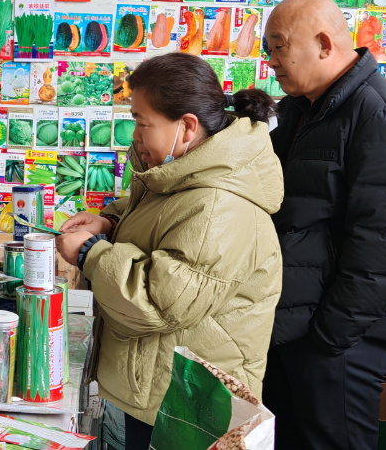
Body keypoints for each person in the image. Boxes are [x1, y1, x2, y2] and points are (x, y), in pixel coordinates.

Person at [56, 53, 284, 449]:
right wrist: (109, 222)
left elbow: (160, 303)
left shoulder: (219, 205)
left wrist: (91, 253)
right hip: (155, 388)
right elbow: (161, 216)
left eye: (143, 123)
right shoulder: (187, 174)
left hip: (186, 404)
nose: (135, 136)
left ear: (187, 127)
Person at [262, 0, 386, 450]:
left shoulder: (385, 113)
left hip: (339, 338)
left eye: (278, 46)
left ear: (322, 43)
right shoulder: (301, 111)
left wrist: (330, 337)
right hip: (295, 327)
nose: (270, 60)